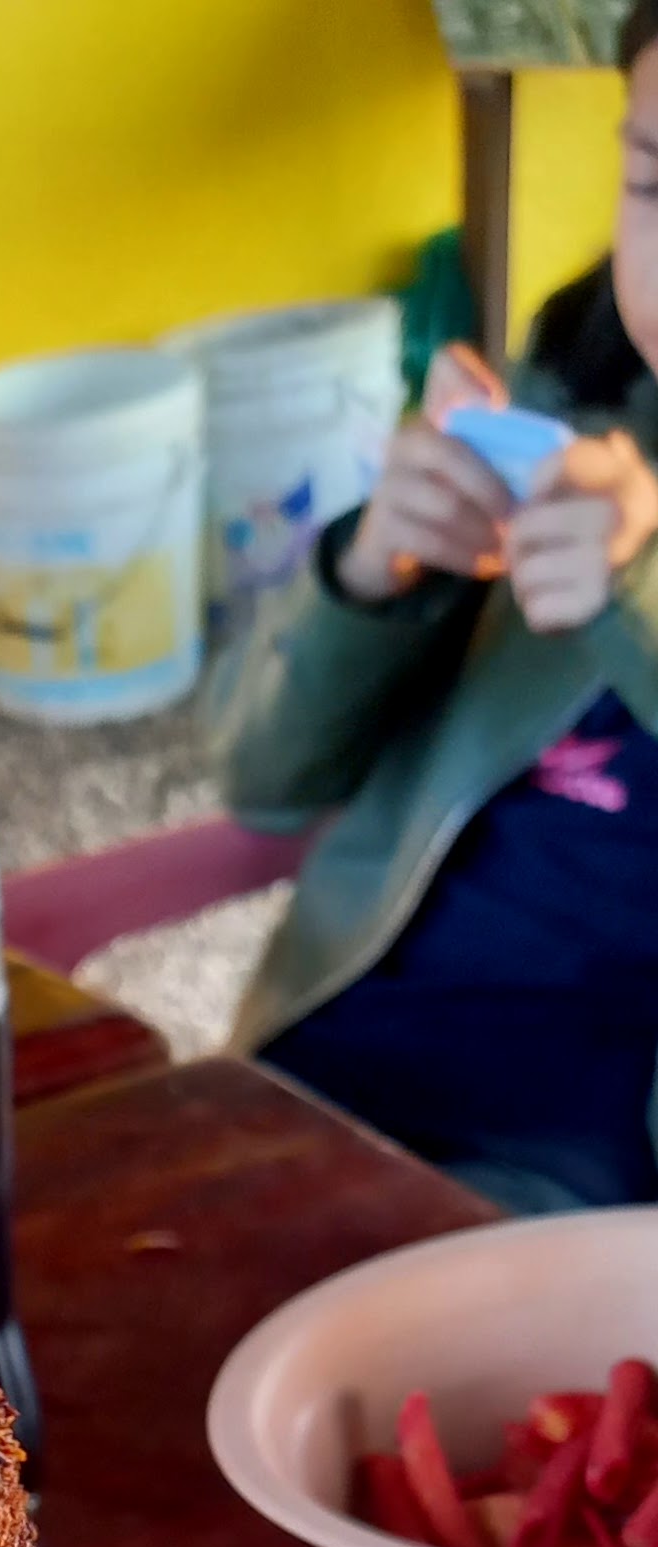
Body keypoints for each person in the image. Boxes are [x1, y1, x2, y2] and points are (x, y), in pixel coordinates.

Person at [223, 0, 658, 1213]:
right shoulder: (567, 410)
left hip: (577, 1184)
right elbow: (260, 780)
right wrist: (371, 573)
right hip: (323, 1076)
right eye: (657, 183)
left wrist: (636, 586)